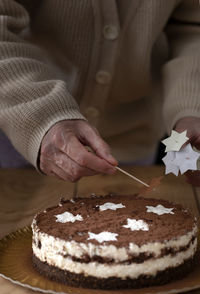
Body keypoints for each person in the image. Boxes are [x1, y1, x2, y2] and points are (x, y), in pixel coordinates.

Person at [0, 0, 199, 184]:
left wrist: (191, 104)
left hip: (135, 137)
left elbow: (191, 25)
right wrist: (41, 115)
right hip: (20, 130)